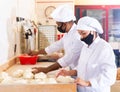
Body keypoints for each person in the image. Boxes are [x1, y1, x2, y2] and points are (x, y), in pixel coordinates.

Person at [56, 16, 117, 92]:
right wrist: (68, 73)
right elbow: (83, 68)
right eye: (79, 34)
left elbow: (110, 76)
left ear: (93, 31)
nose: (81, 37)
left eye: (83, 33)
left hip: (96, 90)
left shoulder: (104, 48)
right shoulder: (85, 46)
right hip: (81, 89)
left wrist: (87, 83)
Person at [29, 4, 82, 74]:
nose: (58, 27)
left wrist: (46, 69)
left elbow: (68, 58)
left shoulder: (78, 34)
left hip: (79, 70)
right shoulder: (68, 33)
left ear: (66, 23)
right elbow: (56, 46)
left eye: (59, 25)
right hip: (73, 68)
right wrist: (37, 52)